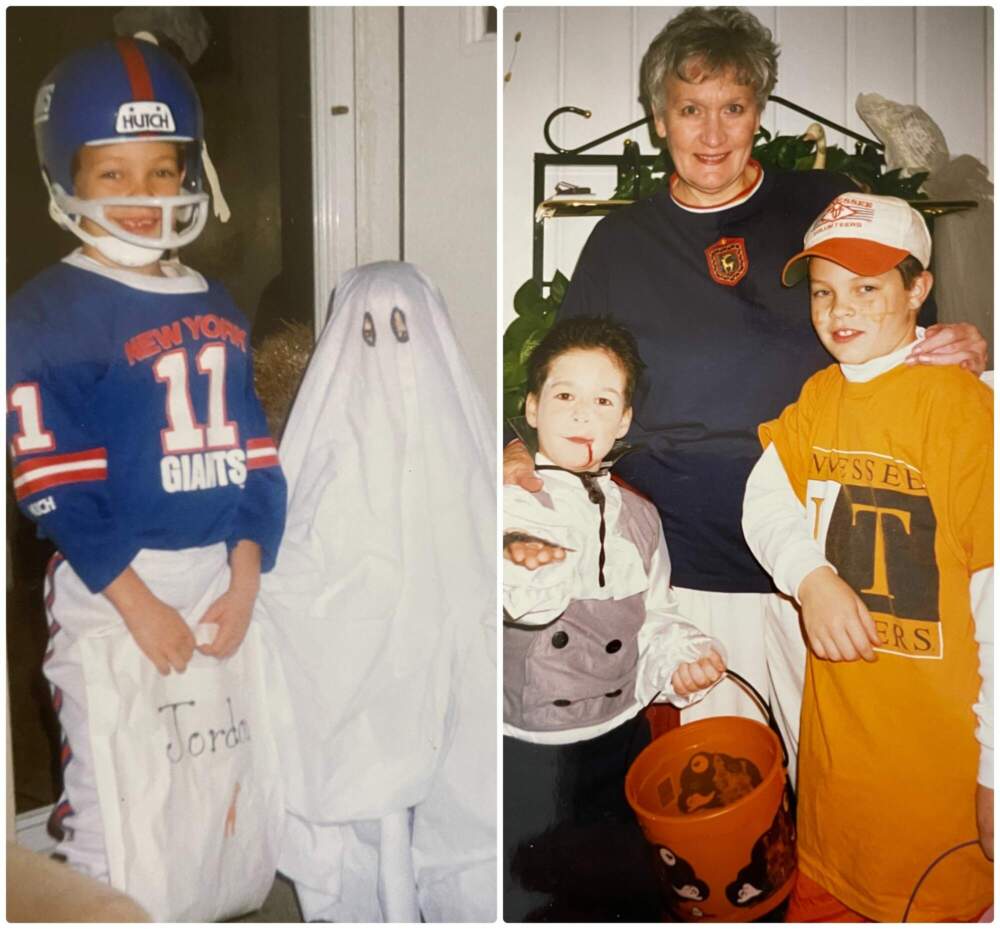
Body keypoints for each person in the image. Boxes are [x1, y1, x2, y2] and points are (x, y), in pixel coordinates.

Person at [504, 6, 988, 781]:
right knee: (726, 786)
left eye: (733, 107)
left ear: (757, 114)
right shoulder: (621, 243)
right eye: (691, 109)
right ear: (660, 118)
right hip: (689, 565)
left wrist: (957, 341)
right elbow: (569, 372)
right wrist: (515, 446)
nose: (712, 132)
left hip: (834, 553)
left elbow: (901, 328)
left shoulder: (822, 204)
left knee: (846, 776)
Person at [6, 37, 286, 884]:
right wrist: (135, 601)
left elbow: (254, 456)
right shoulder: (48, 310)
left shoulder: (216, 300)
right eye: (113, 173)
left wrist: (245, 575)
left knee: (212, 789)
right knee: (115, 802)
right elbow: (51, 482)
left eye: (160, 171)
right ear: (69, 176)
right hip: (113, 582)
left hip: (215, 573)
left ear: (190, 171)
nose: (140, 195)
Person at [741, 193, 993, 921]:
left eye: (866, 289)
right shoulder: (819, 396)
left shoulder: (966, 410)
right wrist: (810, 576)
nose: (838, 310)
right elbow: (765, 500)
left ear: (919, 289)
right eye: (823, 291)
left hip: (941, 787)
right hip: (835, 796)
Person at [254, 263, 497, 922]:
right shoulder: (327, 444)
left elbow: (480, 545)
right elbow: (294, 561)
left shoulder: (462, 440)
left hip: (452, 677)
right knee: (369, 813)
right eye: (366, 331)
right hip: (357, 687)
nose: (388, 354)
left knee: (464, 812)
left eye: (400, 329)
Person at [503, 316, 726, 921]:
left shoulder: (642, 518)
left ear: (624, 419)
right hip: (525, 753)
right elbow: (526, 604)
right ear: (532, 406)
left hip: (617, 742)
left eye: (602, 400)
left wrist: (681, 657)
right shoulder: (505, 502)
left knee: (618, 891)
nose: (582, 416)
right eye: (564, 396)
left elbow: (654, 617)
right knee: (537, 898)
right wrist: (525, 557)